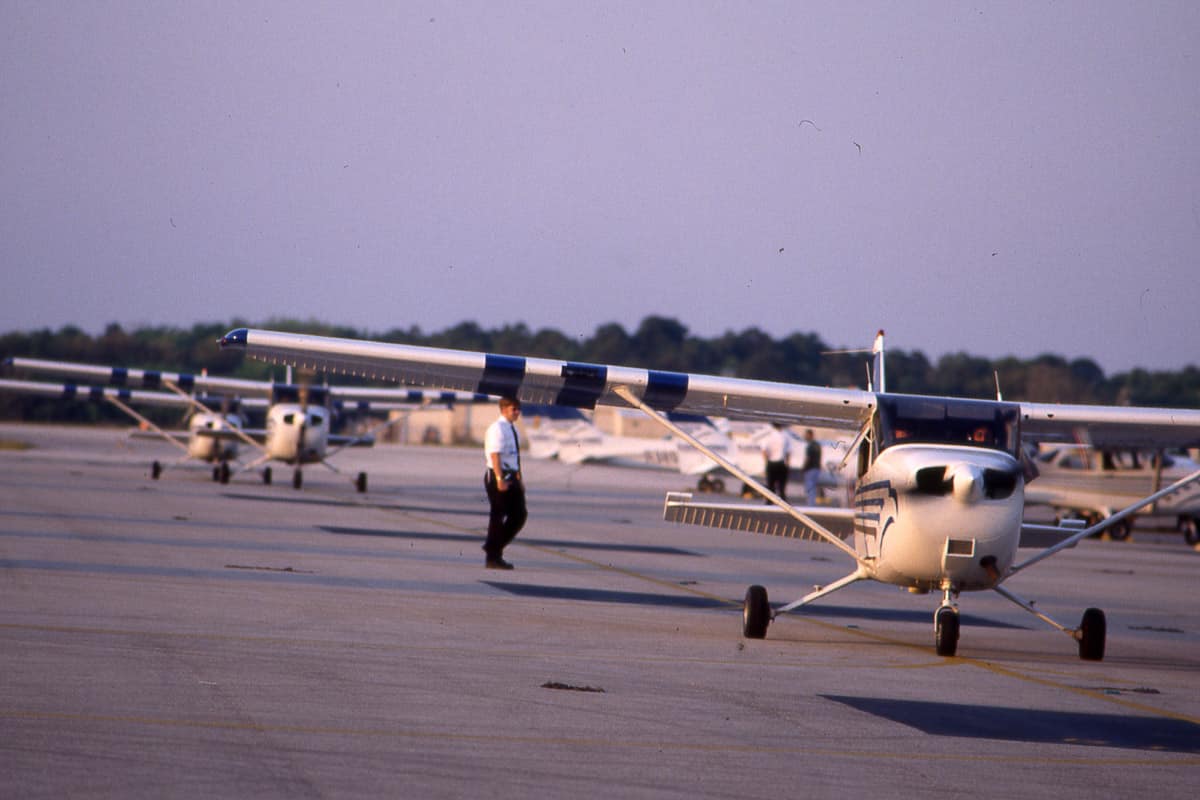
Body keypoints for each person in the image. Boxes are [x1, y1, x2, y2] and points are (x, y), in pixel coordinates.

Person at [483, 396, 526, 569]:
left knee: (519, 515)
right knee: (498, 516)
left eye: (518, 409)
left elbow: (514, 457)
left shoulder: (511, 428)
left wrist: (519, 479)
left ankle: (493, 547)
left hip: (511, 475)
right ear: (503, 410)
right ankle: (493, 557)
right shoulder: (497, 428)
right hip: (498, 475)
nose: (517, 412)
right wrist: (500, 479)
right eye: (513, 409)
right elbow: (495, 455)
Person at [761, 422, 791, 502]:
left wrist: (766, 461)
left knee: (770, 485)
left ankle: (769, 503)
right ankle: (783, 504)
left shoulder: (769, 436)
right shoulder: (785, 436)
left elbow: (764, 450)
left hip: (771, 463)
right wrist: (787, 464)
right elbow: (788, 452)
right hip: (781, 463)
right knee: (782, 487)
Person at [802, 428, 822, 503]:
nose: (805, 437)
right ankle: (812, 503)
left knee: (809, 487)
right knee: (813, 487)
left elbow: (808, 458)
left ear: (810, 435)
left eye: (806, 435)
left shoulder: (810, 446)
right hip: (816, 469)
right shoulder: (817, 445)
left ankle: (810, 503)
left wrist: (804, 467)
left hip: (810, 469)